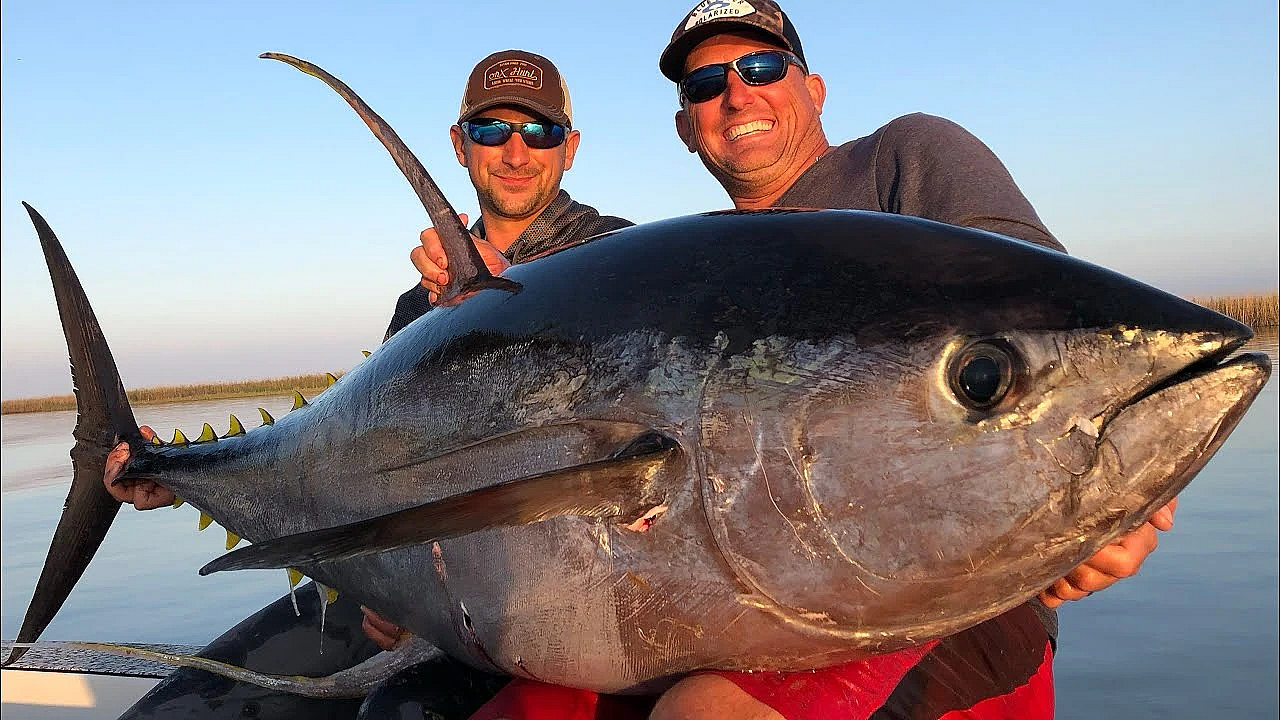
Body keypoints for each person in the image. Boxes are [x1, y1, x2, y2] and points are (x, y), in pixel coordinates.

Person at [641, 2, 1177, 718]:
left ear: (815, 89)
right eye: (705, 86)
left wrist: (1127, 495)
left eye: (763, 67)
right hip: (766, 596)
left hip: (948, 595)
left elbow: (1052, 334)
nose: (737, 93)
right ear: (686, 128)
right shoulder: (697, 264)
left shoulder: (906, 155)